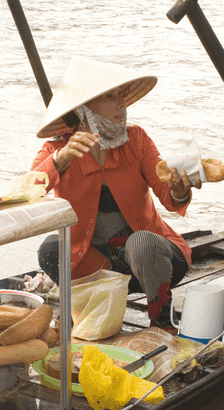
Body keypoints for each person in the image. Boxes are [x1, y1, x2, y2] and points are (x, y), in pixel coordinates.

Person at [30, 57, 202, 330]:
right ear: (83, 109)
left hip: (151, 261)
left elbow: (168, 196)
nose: (121, 102)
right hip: (101, 264)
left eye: (120, 95)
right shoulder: (57, 150)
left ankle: (161, 316)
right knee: (51, 248)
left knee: (142, 241)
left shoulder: (137, 140)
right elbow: (30, 192)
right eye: (109, 96)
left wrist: (179, 190)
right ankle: (92, 305)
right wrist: (61, 160)